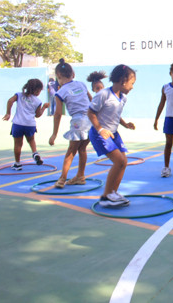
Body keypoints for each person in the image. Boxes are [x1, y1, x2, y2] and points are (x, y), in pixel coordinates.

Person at [88, 64, 136, 207]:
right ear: (123, 80)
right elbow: (91, 113)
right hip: (100, 134)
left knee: (124, 162)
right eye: (132, 83)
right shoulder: (103, 95)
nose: (132, 87)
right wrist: (100, 129)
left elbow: (115, 115)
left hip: (114, 133)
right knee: (118, 161)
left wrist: (125, 124)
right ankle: (105, 197)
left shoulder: (123, 98)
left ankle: (113, 193)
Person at [49, 59, 93, 188]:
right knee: (82, 149)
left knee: (71, 151)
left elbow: (57, 114)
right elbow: (92, 101)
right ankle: (80, 176)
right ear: (73, 74)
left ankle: (62, 179)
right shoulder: (81, 85)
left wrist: (54, 135)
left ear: (58, 76)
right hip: (90, 121)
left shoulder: (60, 92)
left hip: (78, 121)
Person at [2, 79, 49, 170]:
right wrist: (44, 107)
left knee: (18, 144)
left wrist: (8, 113)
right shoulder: (37, 101)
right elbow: (38, 115)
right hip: (30, 124)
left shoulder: (19, 95)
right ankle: (35, 153)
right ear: (36, 90)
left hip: (18, 124)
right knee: (31, 140)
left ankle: (17, 163)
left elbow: (10, 101)